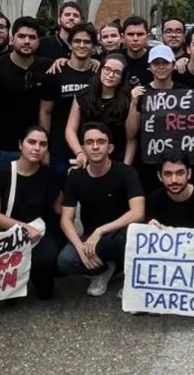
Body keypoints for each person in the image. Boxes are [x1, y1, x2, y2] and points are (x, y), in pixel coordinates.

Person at [58, 122, 145, 295]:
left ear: (110, 147)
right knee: (66, 260)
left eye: (101, 142)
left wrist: (100, 230)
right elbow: (66, 219)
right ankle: (103, 270)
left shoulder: (126, 173)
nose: (95, 147)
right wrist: (80, 248)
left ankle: (129, 276)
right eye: (89, 142)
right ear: (83, 148)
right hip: (92, 238)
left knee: (133, 236)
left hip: (121, 232)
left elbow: (138, 212)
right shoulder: (75, 176)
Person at [0, 125, 63, 299]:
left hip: (38, 232)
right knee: (8, 299)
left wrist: (75, 182)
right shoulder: (1, 173)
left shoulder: (49, 176)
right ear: (21, 144)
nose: (37, 148)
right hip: (7, 232)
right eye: (31, 142)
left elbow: (59, 209)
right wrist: (24, 228)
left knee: (46, 292)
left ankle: (38, 273)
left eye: (43, 144)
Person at [0, 17, 46, 168]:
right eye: (21, 36)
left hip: (36, 148)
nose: (26, 41)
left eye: (32, 37)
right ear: (12, 39)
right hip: (1, 149)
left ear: (38, 42)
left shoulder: (48, 67)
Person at [38, 21, 98, 173]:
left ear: (94, 46)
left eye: (87, 42)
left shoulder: (100, 75)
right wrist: (45, 147)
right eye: (77, 41)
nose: (82, 45)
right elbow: (45, 112)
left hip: (93, 147)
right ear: (70, 45)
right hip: (59, 146)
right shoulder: (55, 73)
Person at [66, 53, 139, 165]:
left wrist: (126, 167)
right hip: (87, 158)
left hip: (116, 160)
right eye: (107, 69)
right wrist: (79, 153)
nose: (110, 75)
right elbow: (70, 129)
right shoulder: (83, 96)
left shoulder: (128, 100)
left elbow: (131, 138)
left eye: (117, 72)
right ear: (100, 70)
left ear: (122, 78)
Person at [120, 16, 153, 91]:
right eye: (131, 34)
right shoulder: (116, 58)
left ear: (147, 37)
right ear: (123, 37)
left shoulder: (156, 56)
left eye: (140, 34)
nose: (135, 39)